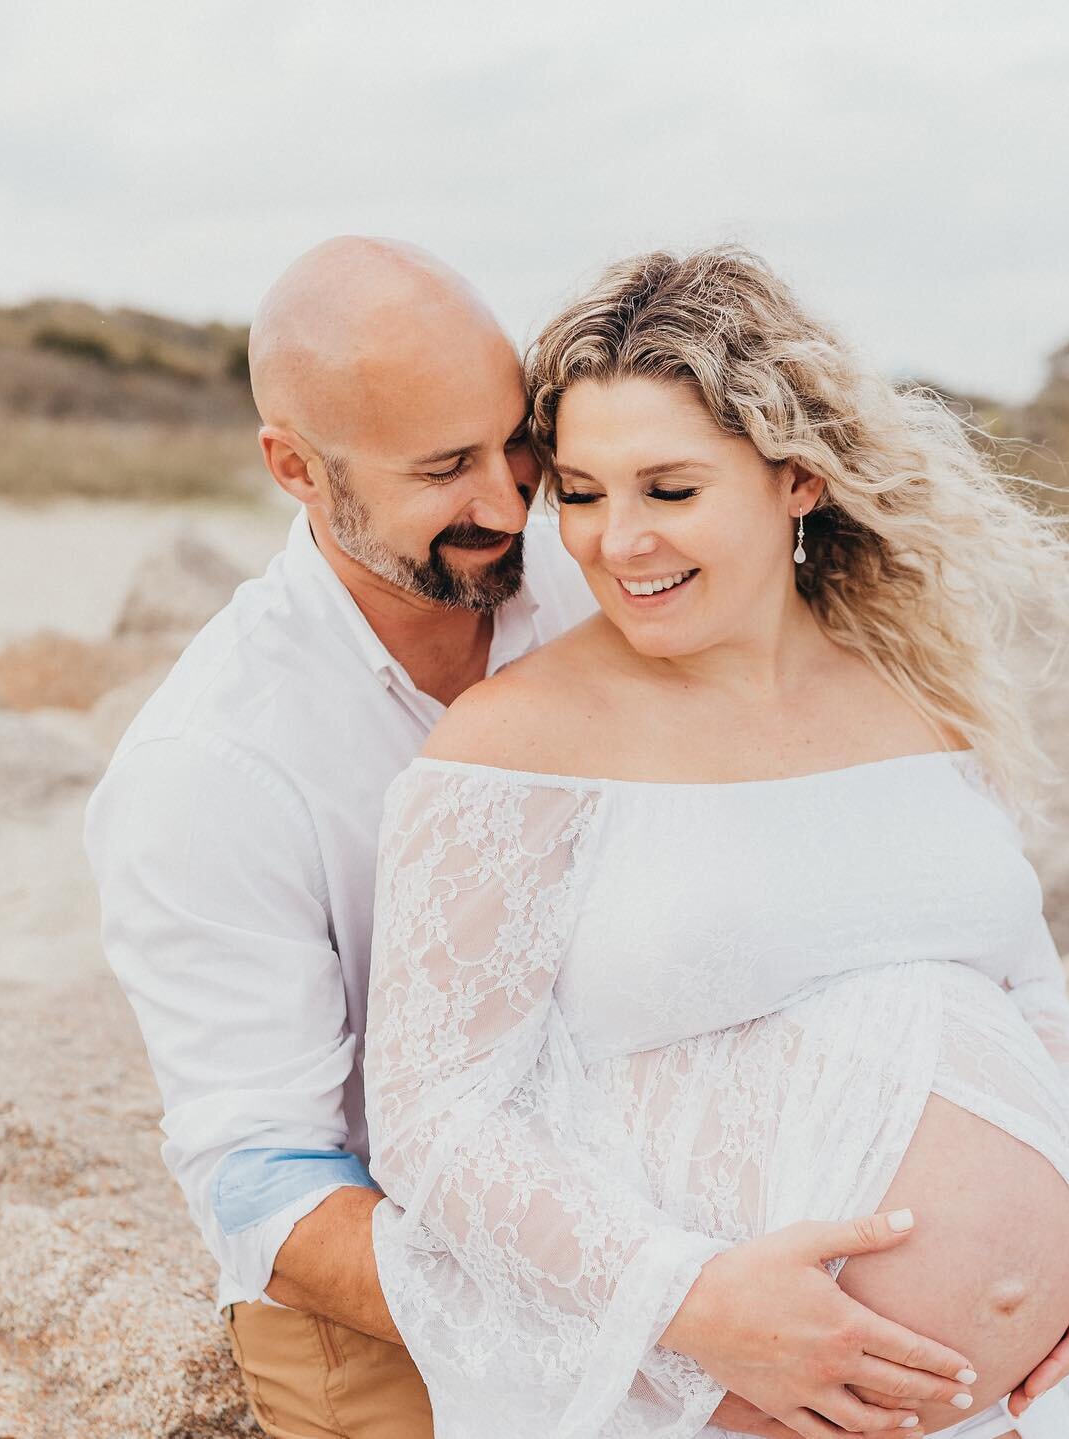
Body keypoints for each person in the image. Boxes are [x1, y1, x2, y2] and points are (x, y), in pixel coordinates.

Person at [86, 237, 1012, 1439]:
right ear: (296, 469)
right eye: (443, 469)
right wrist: (658, 1304)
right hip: (392, 1300)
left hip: (666, 1219)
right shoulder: (209, 769)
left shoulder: (595, 572)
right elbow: (263, 1180)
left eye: (519, 444)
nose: (510, 501)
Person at [363, 247, 1069, 1438]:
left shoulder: (916, 691)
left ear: (796, 477)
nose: (615, 541)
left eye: (670, 489)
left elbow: (1019, 977)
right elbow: (433, 1120)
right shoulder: (518, 742)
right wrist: (689, 1298)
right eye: (581, 492)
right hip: (711, 1405)